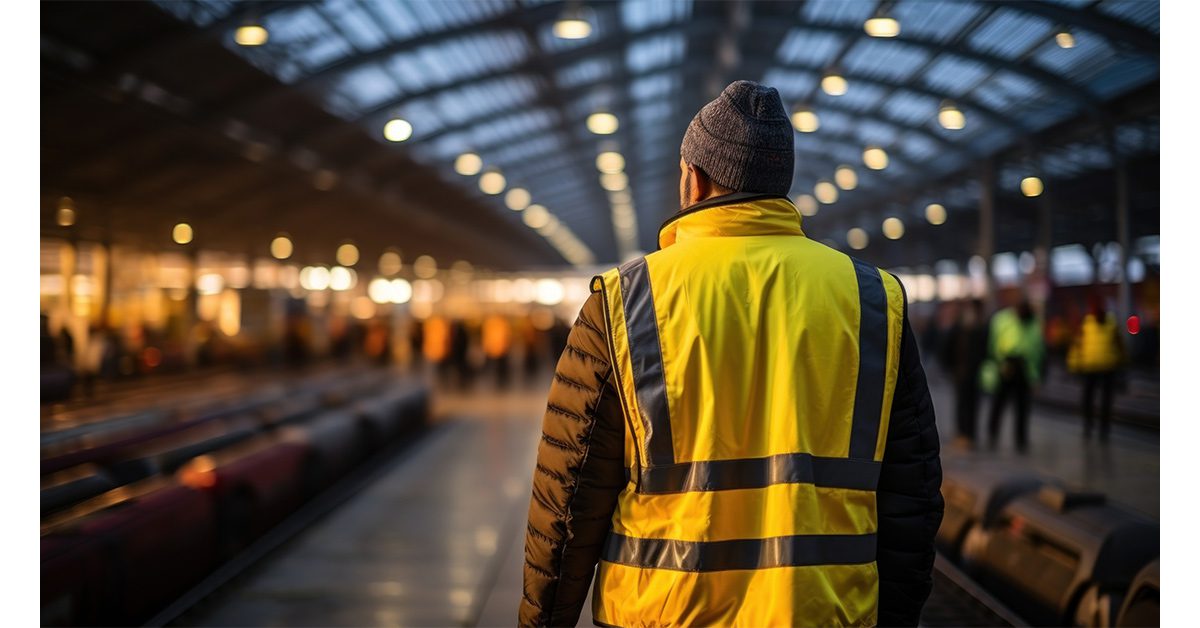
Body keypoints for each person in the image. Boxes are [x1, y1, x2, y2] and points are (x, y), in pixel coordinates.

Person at [519, 81, 944, 627]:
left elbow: (568, 494)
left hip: (662, 614)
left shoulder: (626, 301)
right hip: (824, 613)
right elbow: (913, 495)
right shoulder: (873, 300)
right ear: (779, 186)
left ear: (693, 178)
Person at [984, 300, 1045, 453]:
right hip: (1006, 364)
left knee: (1022, 407)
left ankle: (1021, 440)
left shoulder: (1032, 323)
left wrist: (1035, 377)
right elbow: (993, 343)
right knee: (999, 403)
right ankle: (992, 434)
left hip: (1024, 367)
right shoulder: (1002, 320)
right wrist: (999, 363)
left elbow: (1037, 351)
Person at [1067, 299, 1124, 442]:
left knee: (1104, 400)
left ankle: (1102, 429)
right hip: (1090, 368)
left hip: (1106, 368)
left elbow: (1119, 344)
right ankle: (1089, 425)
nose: (1096, 313)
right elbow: (1078, 345)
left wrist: (1123, 362)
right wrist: (1074, 363)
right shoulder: (1088, 324)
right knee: (1089, 399)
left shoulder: (1111, 324)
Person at [941, 299, 989, 449]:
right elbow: (947, 349)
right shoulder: (958, 328)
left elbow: (984, 350)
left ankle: (971, 434)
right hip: (960, 373)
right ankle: (962, 433)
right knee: (962, 403)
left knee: (973, 404)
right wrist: (950, 367)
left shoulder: (981, 329)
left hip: (975, 373)